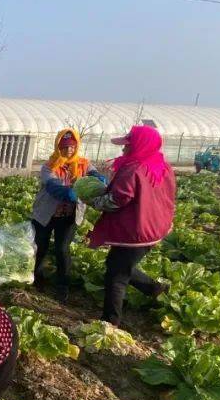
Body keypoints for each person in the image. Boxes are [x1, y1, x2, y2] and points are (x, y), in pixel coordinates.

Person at [88, 125, 176, 327]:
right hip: (155, 227)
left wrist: (94, 201)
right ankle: (154, 289)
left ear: (138, 145)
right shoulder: (162, 166)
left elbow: (118, 199)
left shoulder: (133, 168)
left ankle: (110, 321)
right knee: (118, 264)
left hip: (136, 230)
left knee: (116, 275)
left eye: (127, 145)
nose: (123, 149)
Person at [30, 128, 106, 301]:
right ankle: (37, 279)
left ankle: (62, 286)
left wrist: (98, 180)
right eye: (64, 146)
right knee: (40, 247)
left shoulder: (83, 164)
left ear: (77, 146)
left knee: (62, 249)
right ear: (58, 146)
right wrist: (70, 192)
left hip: (69, 217)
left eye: (72, 146)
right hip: (46, 214)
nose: (69, 149)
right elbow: (52, 186)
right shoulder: (49, 166)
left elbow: (94, 175)